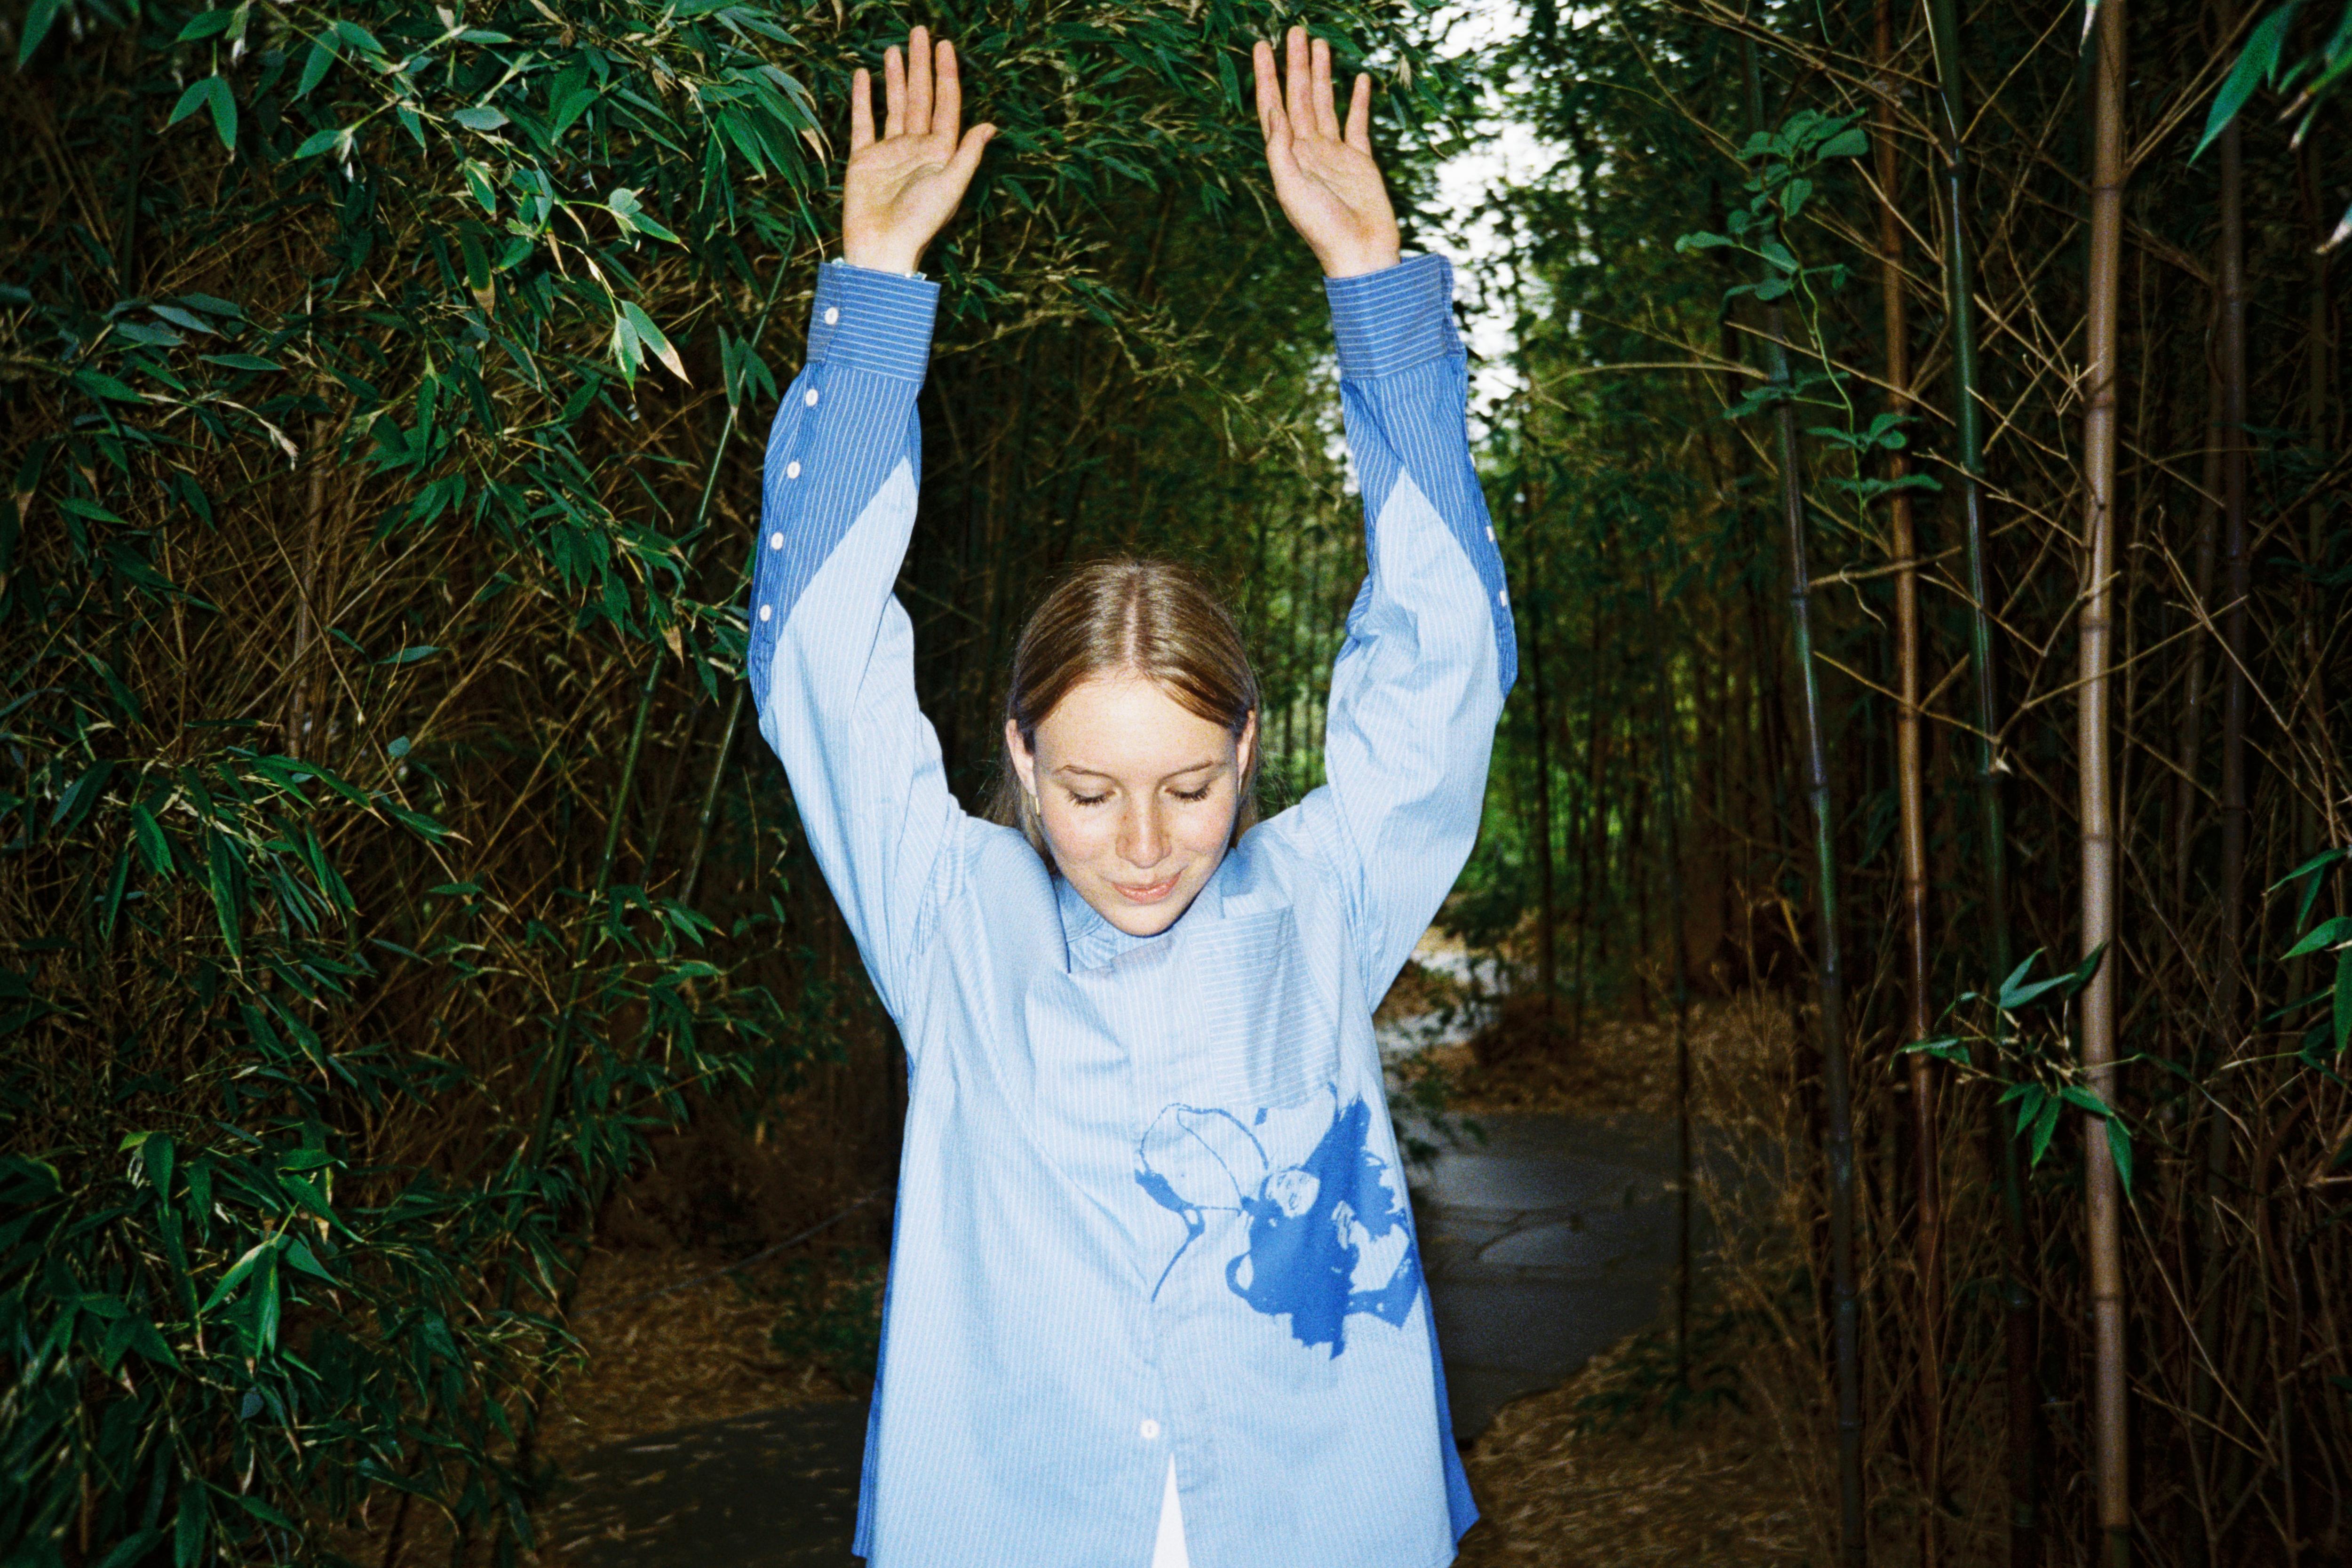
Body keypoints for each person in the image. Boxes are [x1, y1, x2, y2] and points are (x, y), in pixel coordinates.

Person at [746, 24, 1515, 1567]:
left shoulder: (1319, 905)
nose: (1147, 845)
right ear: (1022, 763)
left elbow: (1447, 663)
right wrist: (876, 297)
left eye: (1191, 785)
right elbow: (817, 659)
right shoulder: (952, 919)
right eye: (1091, 791)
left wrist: (1376, 294)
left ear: (1249, 754)